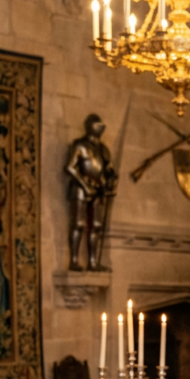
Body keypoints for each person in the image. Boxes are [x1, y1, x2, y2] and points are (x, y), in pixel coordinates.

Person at [65, 114, 116, 271]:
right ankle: (74, 260)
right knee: (78, 224)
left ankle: (93, 262)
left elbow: (109, 170)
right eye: (97, 125)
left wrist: (110, 182)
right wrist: (85, 185)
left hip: (98, 191)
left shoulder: (103, 149)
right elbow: (70, 168)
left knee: (96, 226)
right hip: (80, 188)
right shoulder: (80, 145)